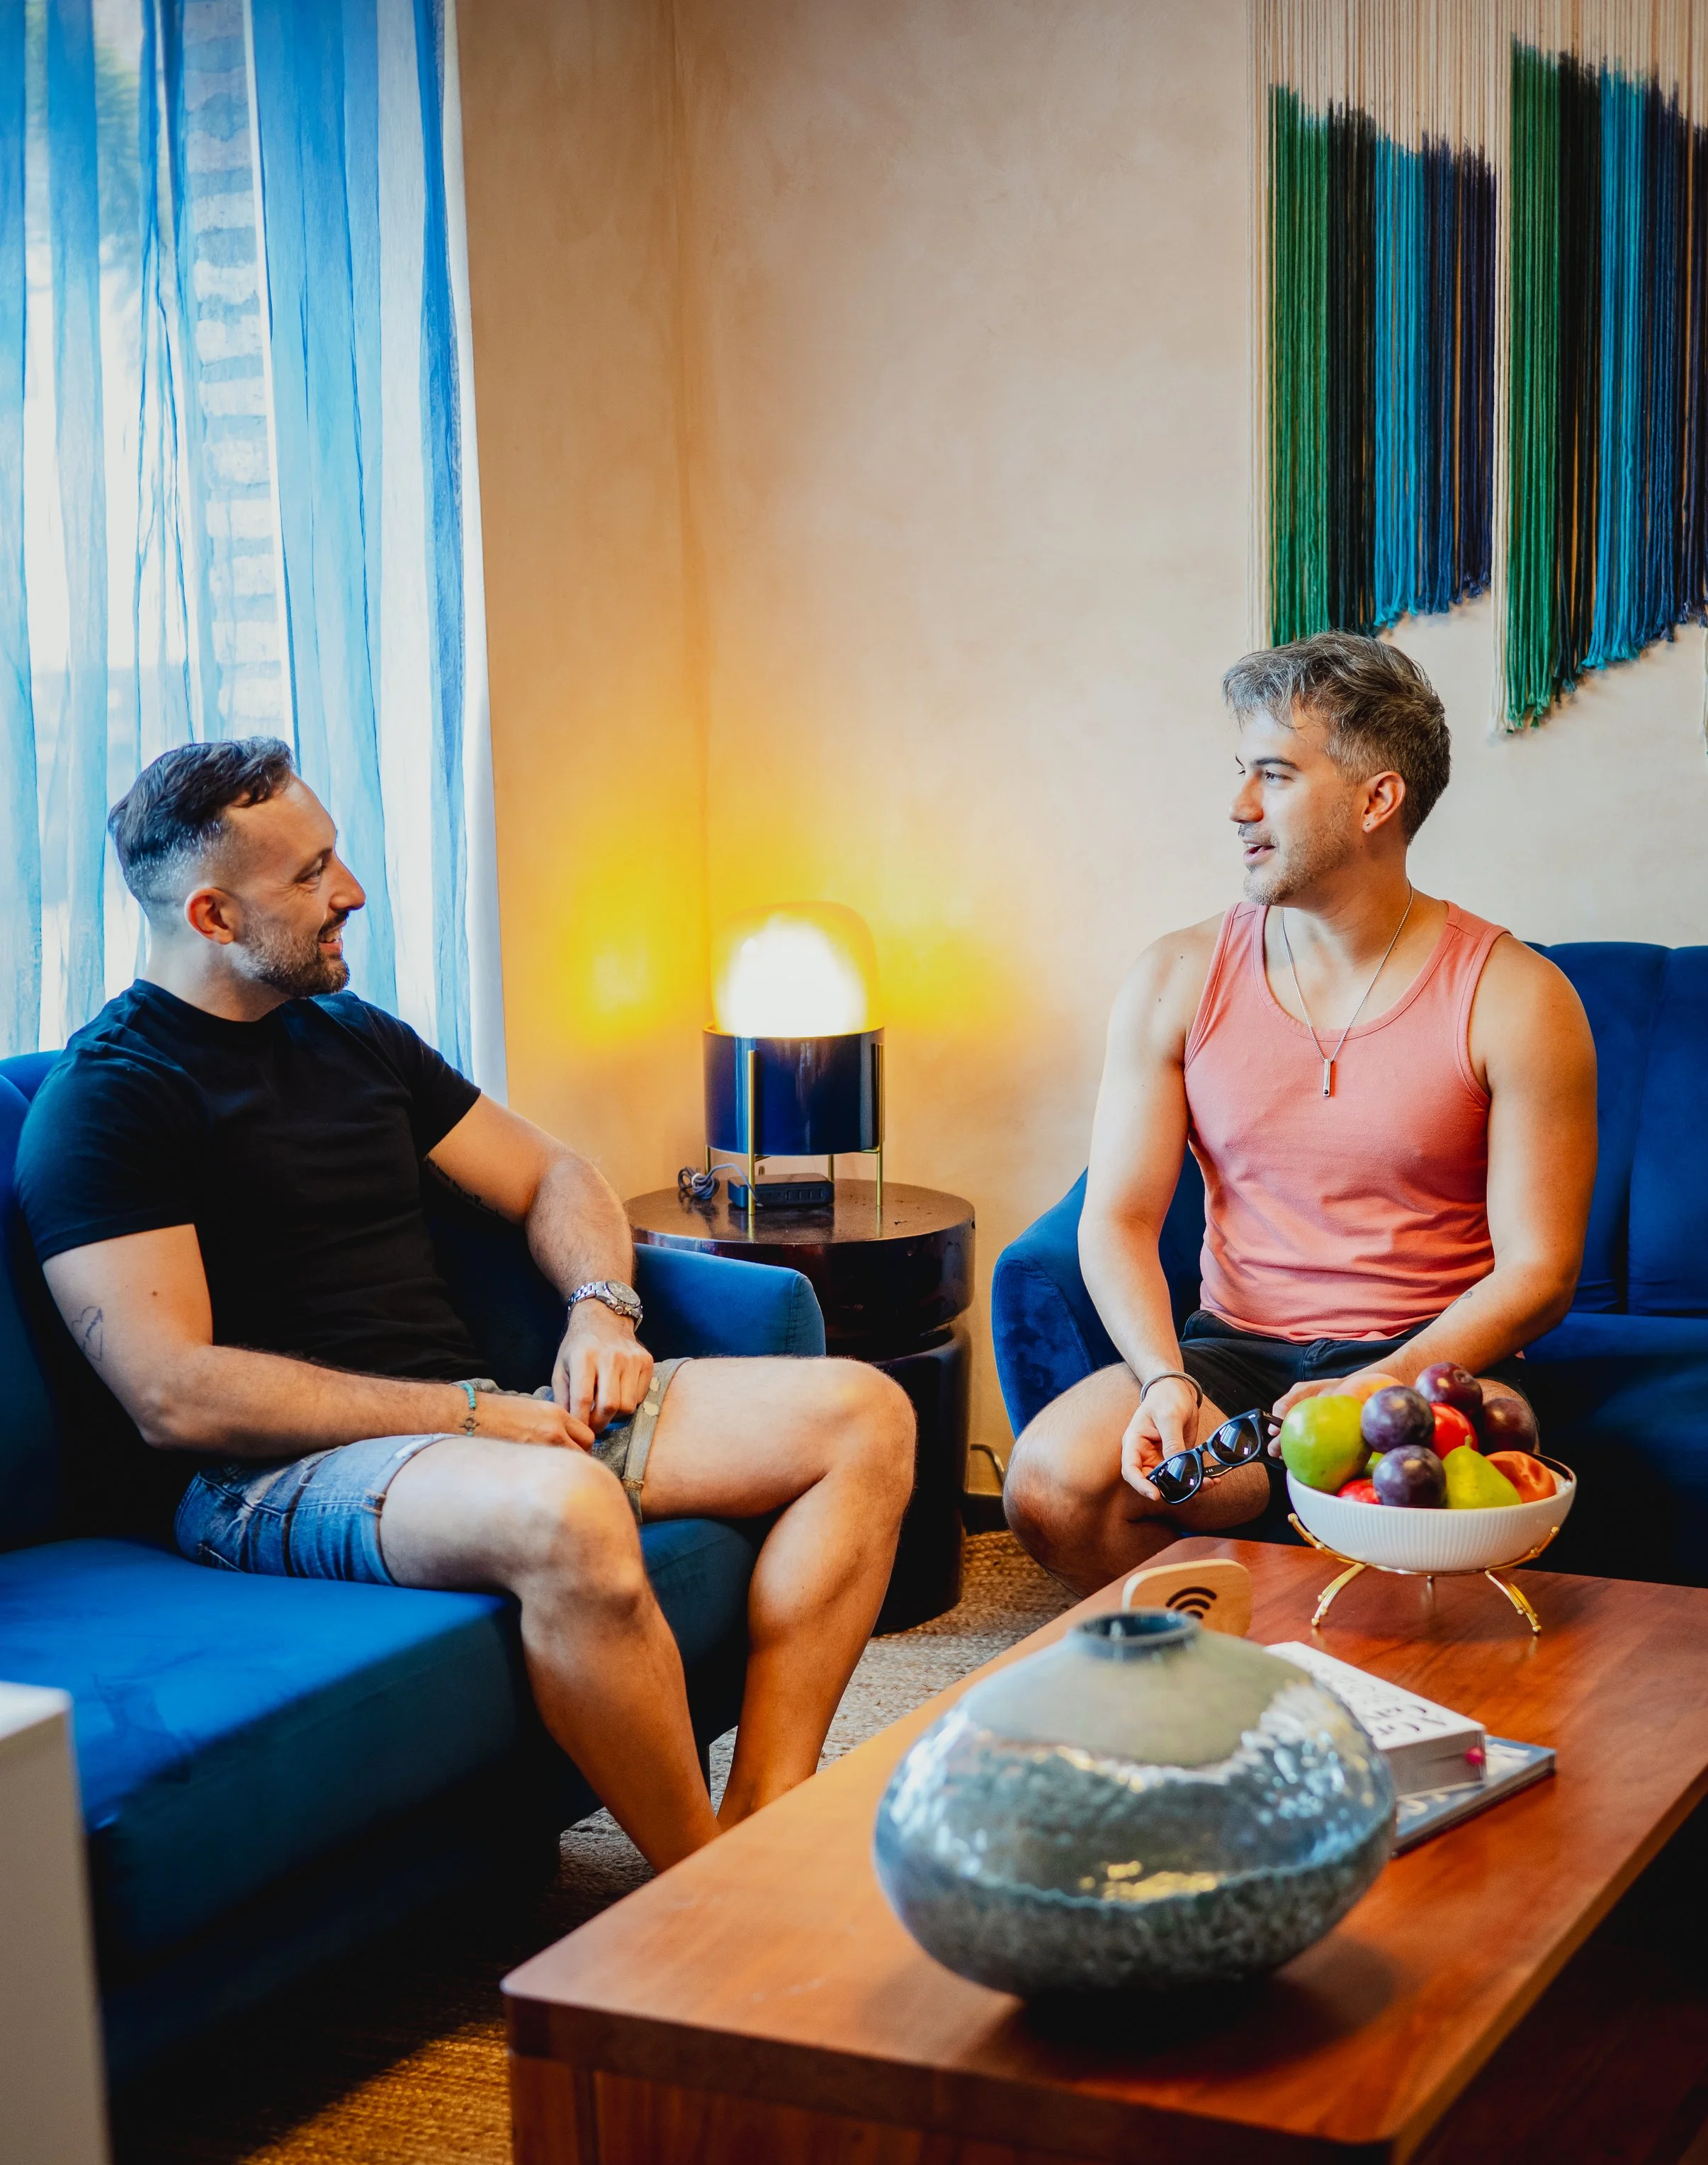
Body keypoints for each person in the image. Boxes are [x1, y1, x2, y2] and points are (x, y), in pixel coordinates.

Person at [17, 739, 915, 1869]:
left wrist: (601, 1308)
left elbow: (552, 1175)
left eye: (336, 856)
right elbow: (176, 1395)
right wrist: (475, 1417)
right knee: (567, 1507)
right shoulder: (110, 1099)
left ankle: (763, 1829)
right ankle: (703, 1898)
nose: (350, 892)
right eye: (309, 876)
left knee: (864, 1416)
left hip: (479, 1423)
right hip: (263, 1482)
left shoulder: (350, 1034)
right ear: (210, 914)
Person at [1005, 632, 1597, 1594]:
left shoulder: (1518, 996)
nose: (1238, 807)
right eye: (1242, 773)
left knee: (1434, 1520)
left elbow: (1542, 1273)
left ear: (1377, 799)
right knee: (1052, 1484)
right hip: (1233, 1357)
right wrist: (1166, 1378)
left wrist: (1382, 1381)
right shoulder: (1175, 976)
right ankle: (1237, 1658)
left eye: (1274, 775)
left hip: (1417, 1362)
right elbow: (1114, 1219)